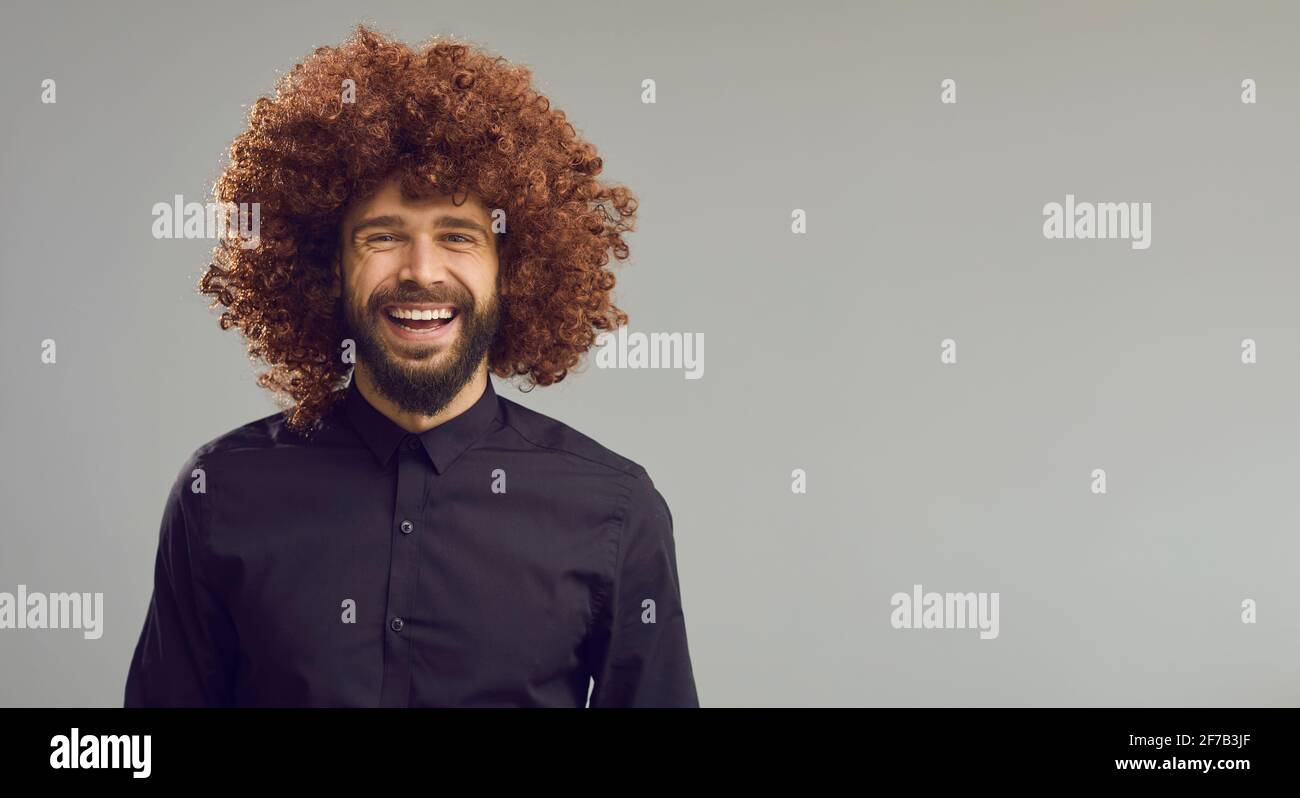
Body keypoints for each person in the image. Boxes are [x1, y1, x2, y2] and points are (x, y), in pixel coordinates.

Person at [124, 26, 698, 708]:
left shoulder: (614, 509)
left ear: (512, 269)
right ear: (325, 267)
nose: (422, 273)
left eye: (458, 237)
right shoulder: (218, 493)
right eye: (383, 236)